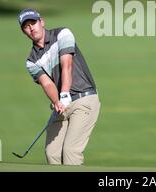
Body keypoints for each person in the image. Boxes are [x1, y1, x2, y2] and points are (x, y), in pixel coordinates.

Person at [18, 8, 101, 165]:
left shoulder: (63, 34)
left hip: (84, 99)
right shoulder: (31, 61)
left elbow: (67, 64)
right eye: (26, 26)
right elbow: (47, 83)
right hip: (61, 105)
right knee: (52, 153)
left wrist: (64, 94)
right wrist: (57, 101)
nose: (31, 28)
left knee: (71, 152)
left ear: (42, 22)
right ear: (23, 31)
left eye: (33, 23)